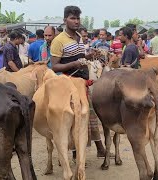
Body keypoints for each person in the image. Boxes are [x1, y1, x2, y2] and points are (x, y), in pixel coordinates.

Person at [50, 5, 108, 160]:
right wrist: (73, 64)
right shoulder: (58, 40)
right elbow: (54, 66)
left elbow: (81, 57)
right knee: (75, 117)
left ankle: (99, 148)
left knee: (90, 115)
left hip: (83, 82)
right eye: (72, 18)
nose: (76, 21)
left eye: (78, 18)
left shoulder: (79, 37)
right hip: (68, 84)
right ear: (65, 20)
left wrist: (88, 56)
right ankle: (77, 153)